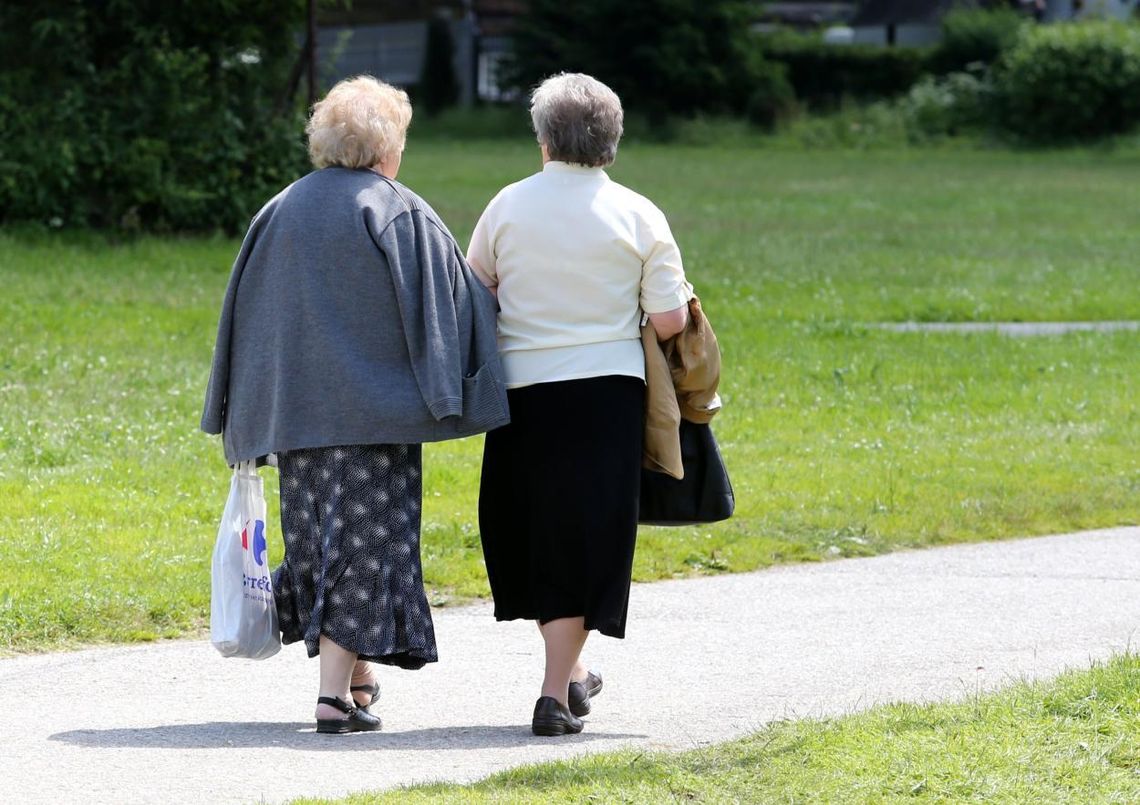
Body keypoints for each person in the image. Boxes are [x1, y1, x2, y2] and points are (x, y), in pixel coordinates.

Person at [201, 75, 508, 735]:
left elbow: (245, 321)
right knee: (365, 549)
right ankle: (332, 696)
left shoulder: (278, 210)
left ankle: (357, 677)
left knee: (318, 545)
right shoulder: (395, 209)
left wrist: (241, 410)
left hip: (295, 419)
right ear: (387, 147)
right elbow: (449, 307)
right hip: (375, 417)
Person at [467, 73, 692, 736]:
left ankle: (566, 677)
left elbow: (477, 290)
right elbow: (672, 319)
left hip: (525, 396)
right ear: (612, 143)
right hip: (607, 396)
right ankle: (556, 695)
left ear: (543, 140)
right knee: (588, 537)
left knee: (541, 534)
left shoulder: (507, 206)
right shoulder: (639, 212)